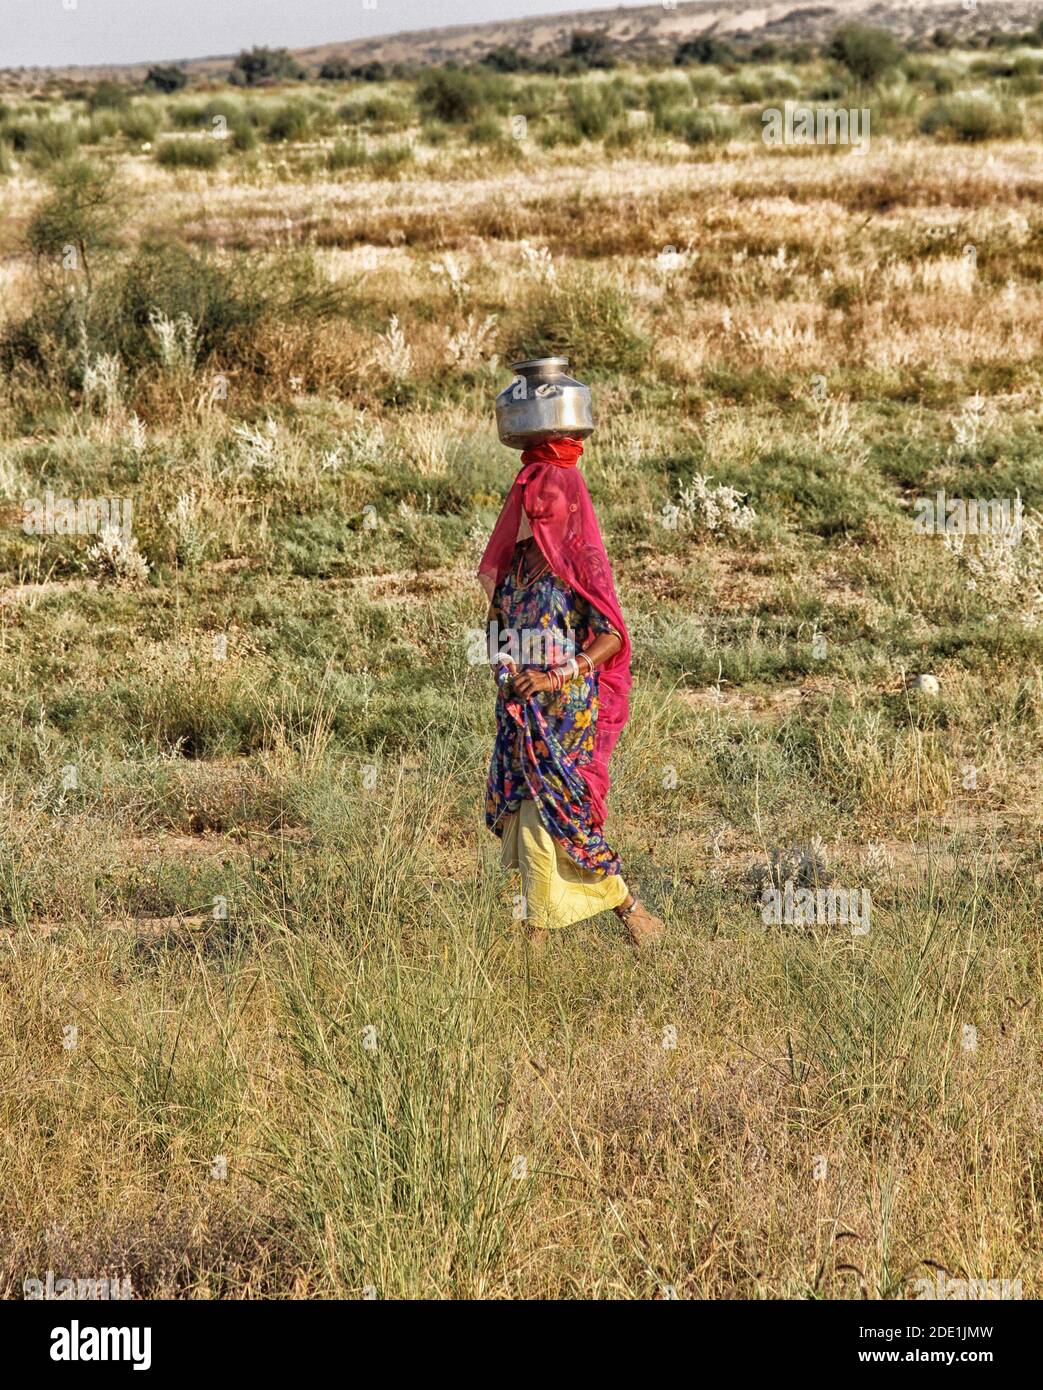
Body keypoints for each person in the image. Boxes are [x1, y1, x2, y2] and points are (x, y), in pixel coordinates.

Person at [478, 435, 665, 949]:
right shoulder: (516, 565)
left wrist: (557, 675)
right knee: (527, 814)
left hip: (566, 717)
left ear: (568, 499)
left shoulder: (578, 561)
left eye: (549, 494)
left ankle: (536, 937)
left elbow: (611, 636)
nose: (538, 503)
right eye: (531, 494)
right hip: (519, 714)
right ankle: (630, 910)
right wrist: (504, 668)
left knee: (553, 814)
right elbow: (494, 627)